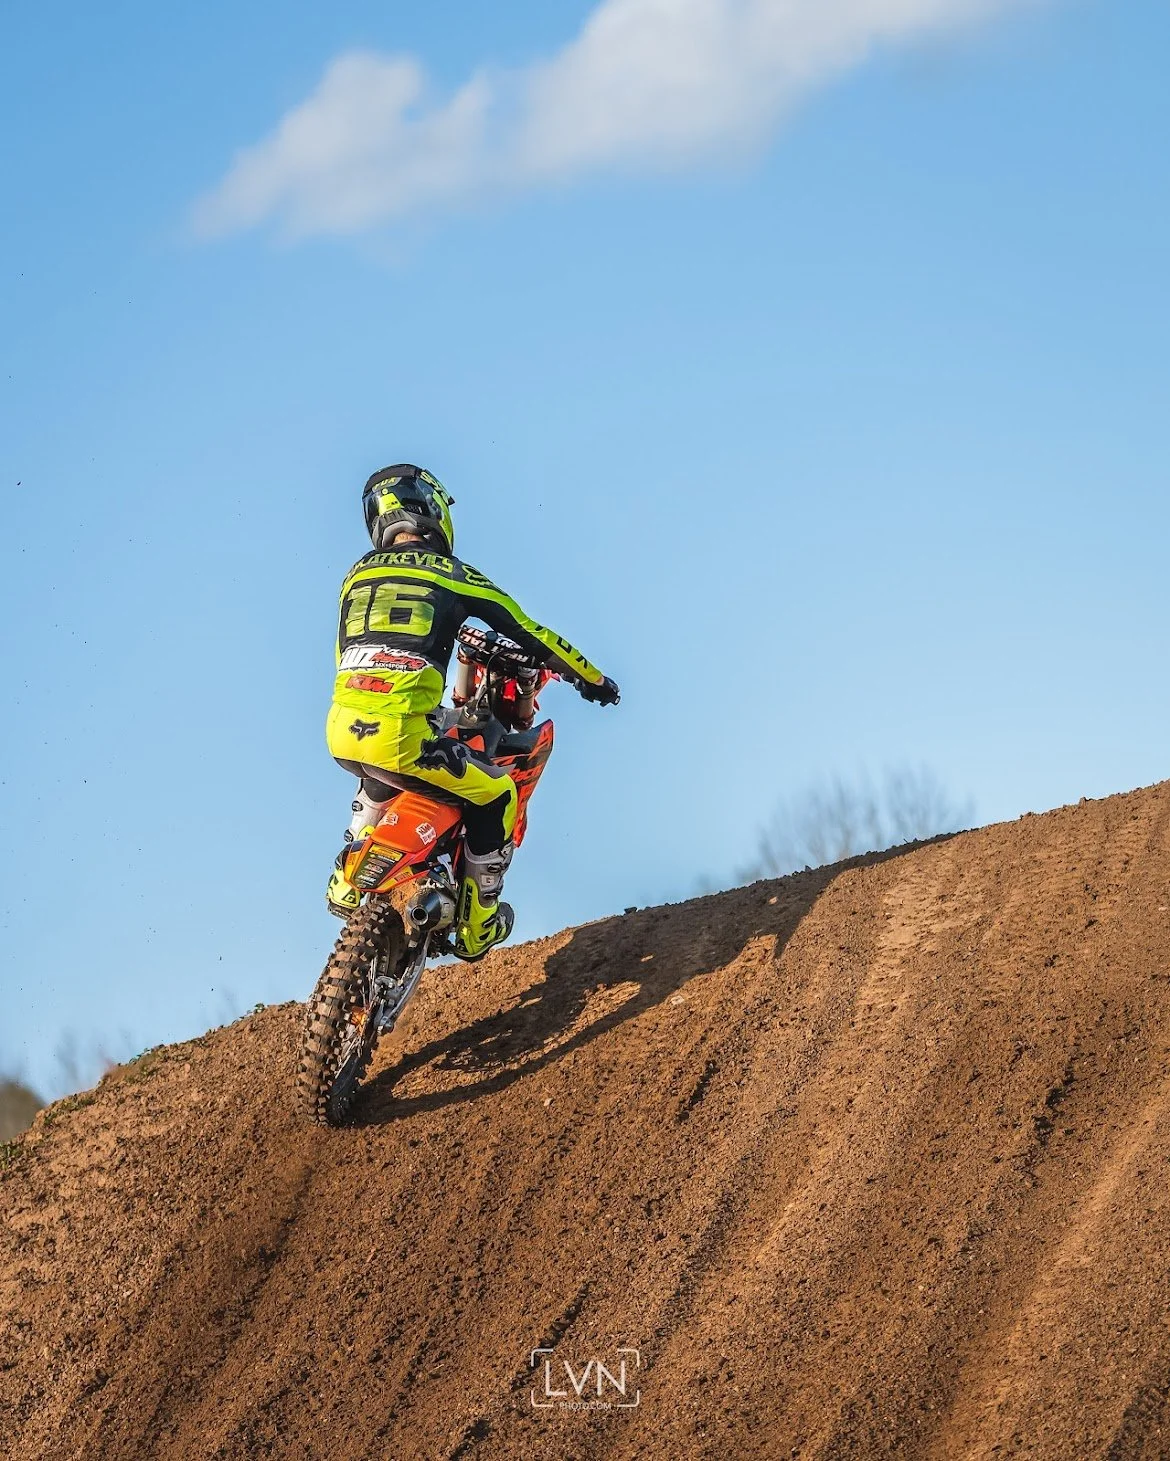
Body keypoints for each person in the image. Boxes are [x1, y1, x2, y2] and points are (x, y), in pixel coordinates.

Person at [326, 464, 620, 959]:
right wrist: (593, 680)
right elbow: (536, 635)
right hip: (402, 739)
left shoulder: (355, 578)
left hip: (341, 732)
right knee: (498, 796)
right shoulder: (455, 574)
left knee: (385, 755)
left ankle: (345, 879)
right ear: (433, 511)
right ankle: (478, 924)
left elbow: (349, 659)